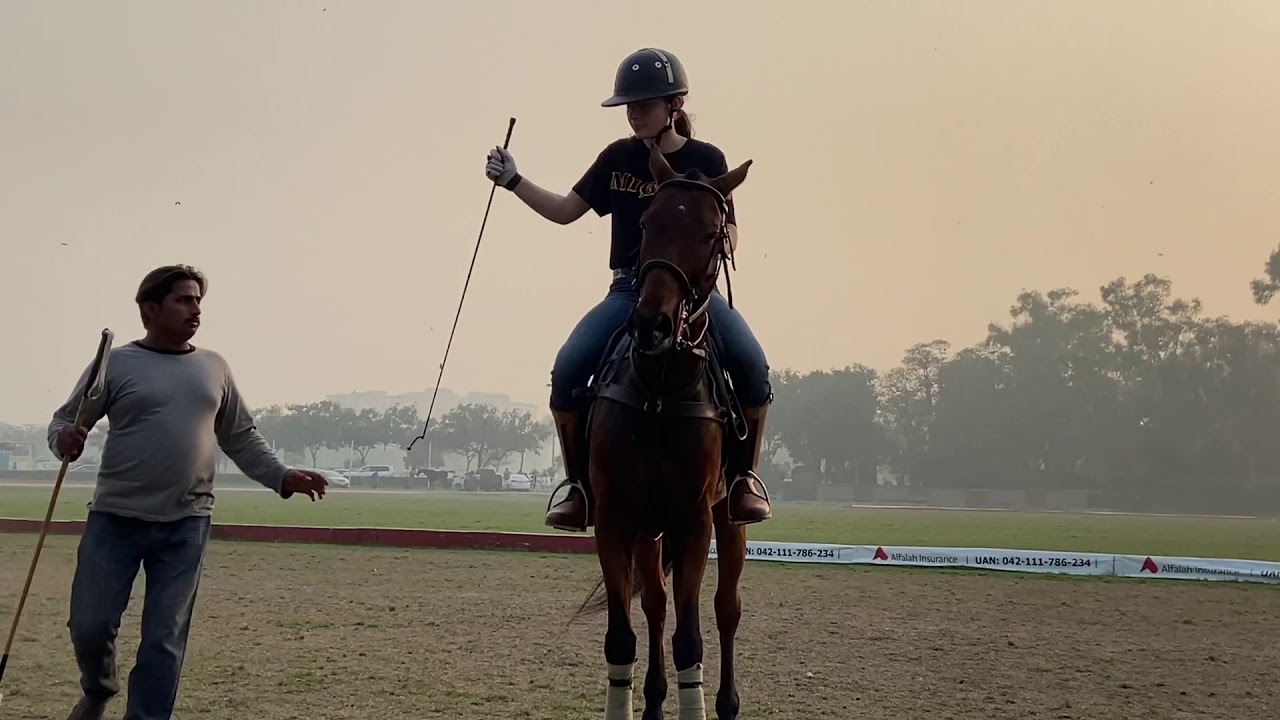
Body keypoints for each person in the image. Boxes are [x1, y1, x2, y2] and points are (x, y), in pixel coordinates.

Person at [484, 47, 774, 532]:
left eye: (645, 103)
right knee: (570, 366)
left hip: (694, 295)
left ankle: (744, 479)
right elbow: (564, 210)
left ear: (675, 104)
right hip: (627, 291)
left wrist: (724, 238)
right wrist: (513, 180)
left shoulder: (707, 159)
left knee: (752, 365)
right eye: (629, 106)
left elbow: (732, 228)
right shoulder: (617, 158)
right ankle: (579, 488)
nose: (634, 113)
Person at [47, 264, 330, 720]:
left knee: (164, 638)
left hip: (186, 523)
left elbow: (239, 435)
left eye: (198, 300)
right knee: (90, 624)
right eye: (184, 300)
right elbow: (65, 420)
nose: (195, 309)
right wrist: (64, 439)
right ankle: (98, 689)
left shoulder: (213, 366)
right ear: (150, 308)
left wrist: (281, 476)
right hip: (115, 519)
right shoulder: (115, 363)